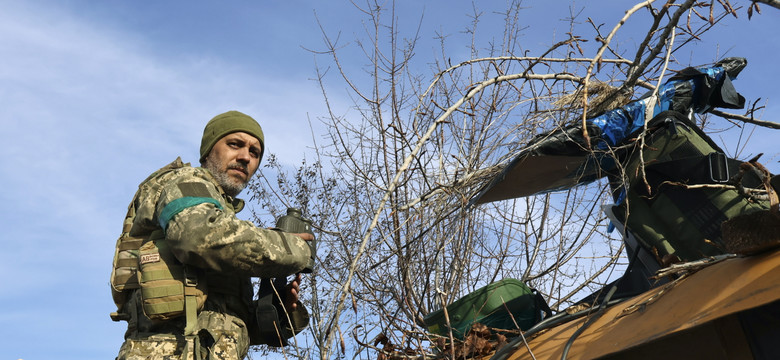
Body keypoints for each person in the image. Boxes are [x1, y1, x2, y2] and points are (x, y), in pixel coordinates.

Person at [110, 110, 313, 359]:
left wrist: (276, 309)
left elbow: (231, 324)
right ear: (208, 151)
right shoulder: (185, 182)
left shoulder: (225, 224)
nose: (245, 157)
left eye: (254, 152)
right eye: (235, 144)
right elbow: (195, 237)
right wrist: (290, 249)